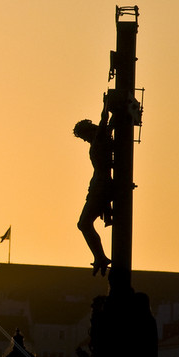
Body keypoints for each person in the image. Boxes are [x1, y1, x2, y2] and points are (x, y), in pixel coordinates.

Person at [73, 107, 113, 275]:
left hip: (101, 186)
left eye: (84, 135)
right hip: (98, 186)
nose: (84, 139)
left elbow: (105, 121)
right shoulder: (99, 139)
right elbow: (106, 122)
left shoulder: (100, 139)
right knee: (84, 224)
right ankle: (100, 256)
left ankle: (100, 257)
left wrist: (106, 105)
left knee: (84, 223)